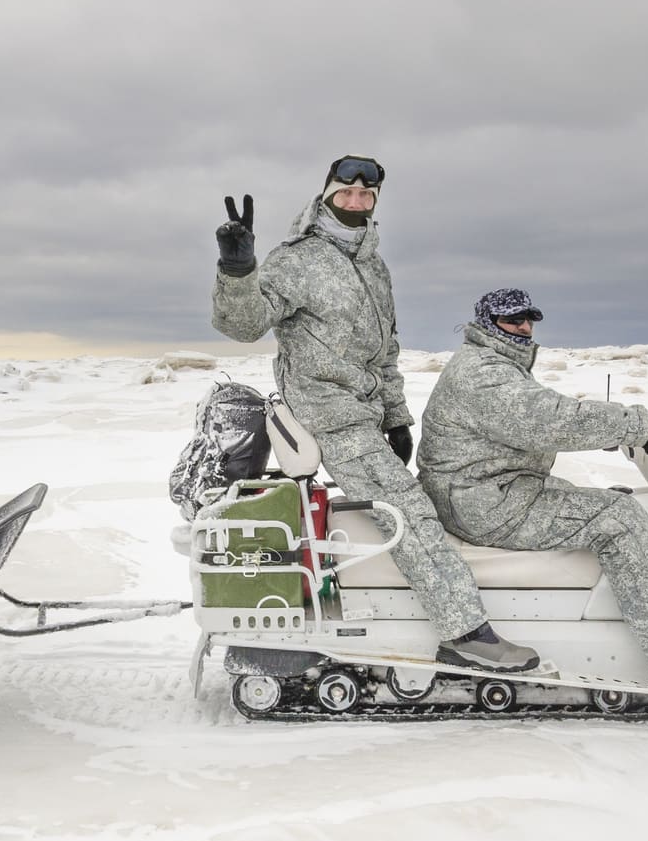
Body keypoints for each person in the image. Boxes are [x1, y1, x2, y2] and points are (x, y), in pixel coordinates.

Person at [210, 158, 541, 673]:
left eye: (368, 190)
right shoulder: (296, 259)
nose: (358, 195)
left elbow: (385, 351)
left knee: (410, 499)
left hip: (363, 413)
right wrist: (237, 270)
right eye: (346, 187)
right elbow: (245, 324)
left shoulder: (372, 263)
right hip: (326, 409)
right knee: (405, 506)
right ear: (327, 194)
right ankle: (465, 633)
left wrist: (395, 416)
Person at [415, 288, 648, 688]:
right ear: (488, 323)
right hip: (484, 500)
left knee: (612, 497)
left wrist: (607, 430)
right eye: (512, 319)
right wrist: (642, 426)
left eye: (529, 318)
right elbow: (549, 419)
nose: (523, 327)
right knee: (620, 517)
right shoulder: (484, 374)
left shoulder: (494, 364)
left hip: (483, 488)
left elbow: (538, 414)